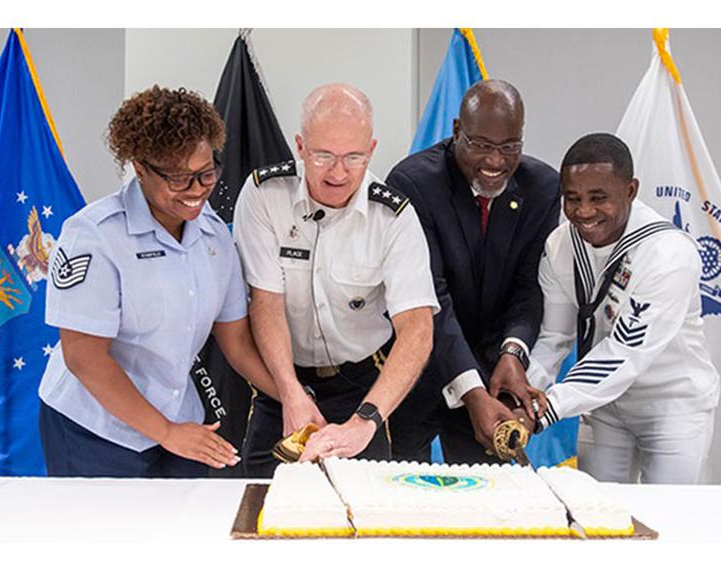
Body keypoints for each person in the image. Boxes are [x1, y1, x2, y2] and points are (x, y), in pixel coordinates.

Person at [38, 86, 279, 477]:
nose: (197, 191)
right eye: (179, 180)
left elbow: (235, 340)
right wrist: (166, 432)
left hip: (179, 418)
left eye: (206, 173)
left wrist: (290, 396)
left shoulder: (215, 236)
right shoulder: (94, 236)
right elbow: (84, 357)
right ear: (139, 167)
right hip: (95, 427)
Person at [233, 83, 437, 477]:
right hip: (280, 380)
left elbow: (417, 330)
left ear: (372, 150)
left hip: (361, 386)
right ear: (301, 147)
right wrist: (290, 392)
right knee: (262, 505)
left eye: (354, 157)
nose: (339, 172)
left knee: (364, 515)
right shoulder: (264, 195)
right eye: (324, 155)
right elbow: (266, 301)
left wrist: (366, 421)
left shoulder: (393, 217)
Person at [525, 132, 720, 484]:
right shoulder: (560, 245)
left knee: (668, 521)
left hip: (672, 405)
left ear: (630, 190)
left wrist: (546, 408)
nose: (583, 212)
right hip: (602, 407)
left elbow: (626, 353)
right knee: (600, 515)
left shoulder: (668, 253)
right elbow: (554, 336)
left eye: (599, 198)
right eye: (572, 198)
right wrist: (524, 396)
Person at [384, 79, 560, 464]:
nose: (496, 161)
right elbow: (432, 296)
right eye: (481, 145)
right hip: (417, 374)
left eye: (509, 146)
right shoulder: (413, 183)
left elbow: (529, 288)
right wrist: (470, 390)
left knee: (486, 506)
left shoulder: (544, 188)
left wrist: (513, 353)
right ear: (456, 132)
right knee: (397, 500)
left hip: (492, 373)